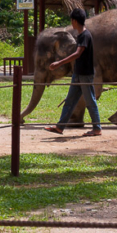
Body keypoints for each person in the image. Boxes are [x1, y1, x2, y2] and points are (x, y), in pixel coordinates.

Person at [44, 8, 102, 137]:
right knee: (70, 101)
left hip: (85, 75)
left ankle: (97, 128)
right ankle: (60, 127)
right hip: (78, 74)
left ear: (74, 21)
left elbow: (78, 53)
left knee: (90, 101)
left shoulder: (85, 35)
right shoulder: (81, 35)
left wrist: (59, 63)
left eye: (71, 20)